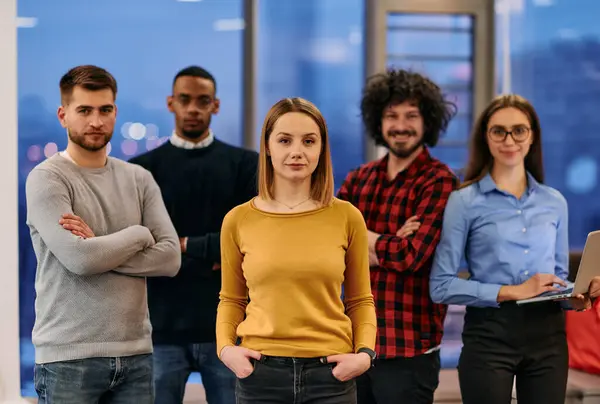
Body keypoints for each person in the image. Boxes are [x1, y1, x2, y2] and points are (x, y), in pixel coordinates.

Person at [25, 65, 181, 404]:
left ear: (115, 112)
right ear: (63, 115)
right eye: (84, 110)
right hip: (67, 358)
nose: (96, 121)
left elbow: (170, 258)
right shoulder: (47, 178)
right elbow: (80, 259)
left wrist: (99, 248)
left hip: (137, 354)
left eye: (105, 110)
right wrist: (138, 233)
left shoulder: (139, 178)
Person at [429, 94, 592, 404]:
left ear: (532, 137)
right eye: (498, 131)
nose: (509, 140)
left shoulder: (554, 201)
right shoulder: (464, 201)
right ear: (486, 138)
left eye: (519, 130)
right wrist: (512, 290)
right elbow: (441, 286)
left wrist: (577, 295)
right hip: (490, 335)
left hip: (548, 337)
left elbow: (557, 276)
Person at [216, 97, 377, 404]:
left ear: (321, 148)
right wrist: (225, 349)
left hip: (330, 376)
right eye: (285, 140)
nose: (297, 152)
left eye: (308, 141)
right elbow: (231, 299)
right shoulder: (238, 220)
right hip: (260, 376)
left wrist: (365, 355)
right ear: (267, 147)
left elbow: (360, 300)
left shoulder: (346, 217)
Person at [129, 66, 257, 404]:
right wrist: (214, 254)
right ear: (171, 103)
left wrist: (179, 247)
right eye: (185, 100)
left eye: (203, 101)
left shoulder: (246, 165)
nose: (193, 109)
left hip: (228, 331)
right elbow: (140, 248)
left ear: (216, 106)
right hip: (161, 329)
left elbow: (249, 242)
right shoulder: (142, 170)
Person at [337, 69, 459, 404]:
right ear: (378, 121)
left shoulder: (440, 181)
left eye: (411, 116)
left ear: (427, 121)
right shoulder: (358, 179)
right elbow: (331, 247)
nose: (400, 125)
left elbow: (412, 256)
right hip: (351, 344)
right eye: (391, 116)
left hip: (410, 349)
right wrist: (390, 240)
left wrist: (361, 238)